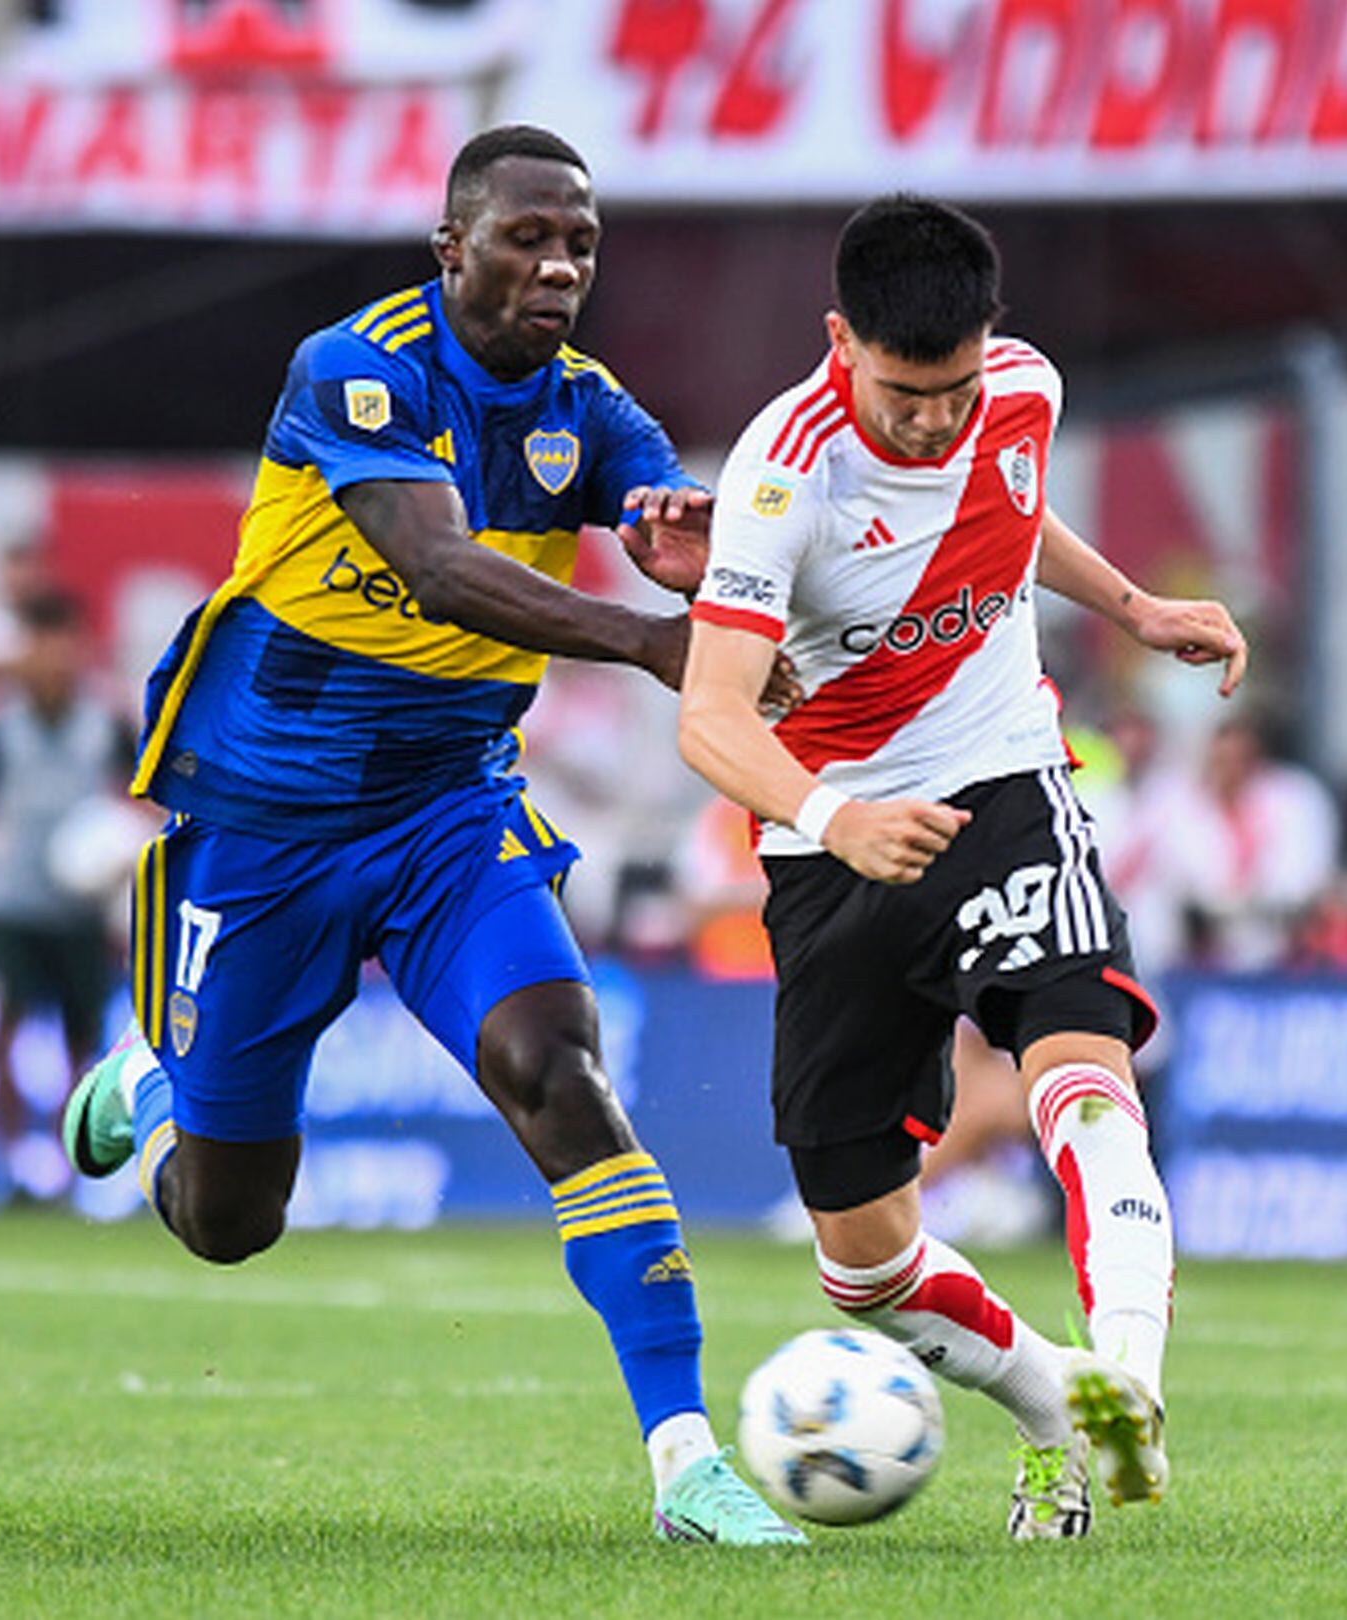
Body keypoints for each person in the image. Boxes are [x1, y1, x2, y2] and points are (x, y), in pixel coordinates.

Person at [59, 125, 802, 1547]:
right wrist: (649, 635)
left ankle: (685, 1466)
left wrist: (684, 545)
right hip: (265, 825)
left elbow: (665, 515)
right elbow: (437, 565)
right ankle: (154, 1090)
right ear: (450, 247)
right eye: (525, 237)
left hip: (449, 808)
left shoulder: (592, 411)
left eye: (578, 242)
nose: (557, 266)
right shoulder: (357, 367)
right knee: (227, 1222)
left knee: (557, 1069)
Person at [675, 194, 1248, 1538]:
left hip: (1001, 783)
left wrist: (1133, 607)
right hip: (833, 845)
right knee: (856, 1263)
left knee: (1085, 1079)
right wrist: (832, 818)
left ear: (985, 346)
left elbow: (1010, 512)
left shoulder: (1019, 391)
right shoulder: (779, 474)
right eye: (898, 392)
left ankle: (1126, 1387)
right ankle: (1053, 1400)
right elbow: (707, 715)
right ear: (837, 341)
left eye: (947, 389)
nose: (929, 421)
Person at [0, 589, 132, 1203]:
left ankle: (64, 1170)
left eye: (63, 647)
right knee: (3, 1030)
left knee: (80, 1044)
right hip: (10, 904)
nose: (53, 660)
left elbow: (139, 806)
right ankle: (6, 1166)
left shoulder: (107, 724)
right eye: (40, 647)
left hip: (80, 910)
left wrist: (120, 853)